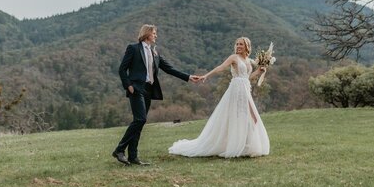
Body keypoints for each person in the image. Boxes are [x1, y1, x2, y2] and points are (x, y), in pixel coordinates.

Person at [113, 24, 200, 166]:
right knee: (140, 119)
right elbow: (122, 69)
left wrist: (189, 77)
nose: (156, 35)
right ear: (147, 34)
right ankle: (119, 149)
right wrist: (128, 86)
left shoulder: (155, 53)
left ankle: (133, 157)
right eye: (154, 33)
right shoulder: (133, 48)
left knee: (140, 122)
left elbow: (169, 69)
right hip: (136, 88)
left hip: (148, 89)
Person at [169, 37, 270, 158]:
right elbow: (220, 67)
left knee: (252, 118)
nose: (238, 46)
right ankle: (237, 146)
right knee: (239, 117)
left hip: (245, 90)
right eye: (237, 44)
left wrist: (259, 71)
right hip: (236, 90)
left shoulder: (249, 61)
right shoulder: (234, 58)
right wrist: (206, 75)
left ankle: (246, 145)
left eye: (241, 44)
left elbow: (246, 78)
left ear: (247, 46)